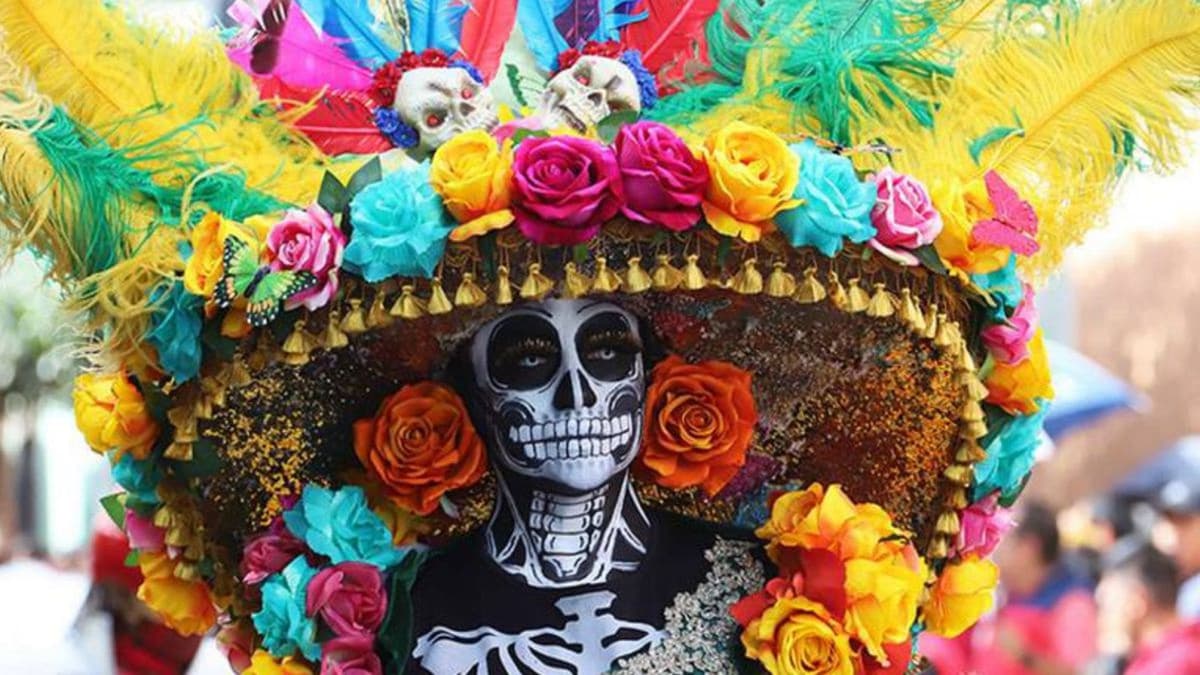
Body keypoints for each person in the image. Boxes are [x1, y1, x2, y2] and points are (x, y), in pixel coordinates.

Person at [970, 502, 1097, 675]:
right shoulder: (999, 595)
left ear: (1029, 548)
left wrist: (1027, 657)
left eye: (999, 538)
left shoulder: (1073, 604)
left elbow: (1081, 672)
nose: (991, 547)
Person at [1095, 544, 1200, 675]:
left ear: (1136, 602)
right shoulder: (1181, 651)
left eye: (1105, 605)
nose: (1100, 620)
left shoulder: (1172, 665)